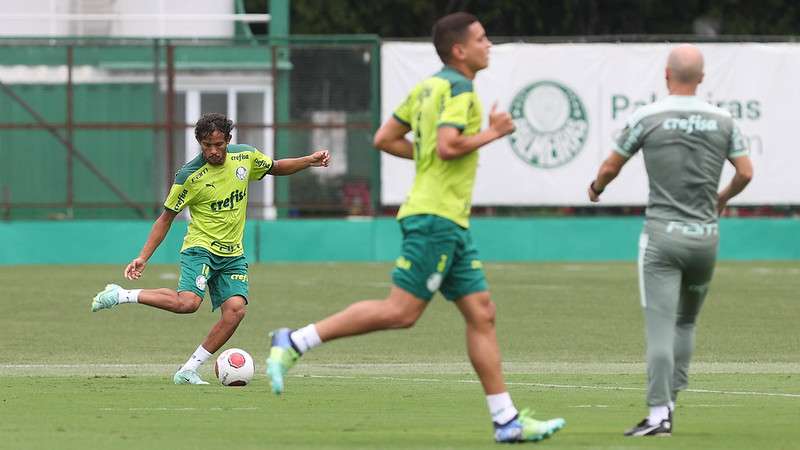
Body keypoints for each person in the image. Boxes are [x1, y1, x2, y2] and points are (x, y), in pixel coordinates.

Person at [264, 12, 565, 444]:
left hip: (447, 221)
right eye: (482, 39)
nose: (489, 45)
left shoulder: (428, 86)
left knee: (482, 312)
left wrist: (429, 154)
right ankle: (294, 341)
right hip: (435, 218)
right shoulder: (460, 89)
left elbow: (385, 138)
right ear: (460, 50)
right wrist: (494, 132)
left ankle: (507, 421)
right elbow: (447, 146)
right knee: (401, 312)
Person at [91, 112, 330, 385]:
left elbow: (276, 167)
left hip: (233, 254)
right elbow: (165, 218)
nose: (213, 151)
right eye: (207, 145)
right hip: (200, 248)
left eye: (218, 144)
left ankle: (188, 370)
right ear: (200, 143)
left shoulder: (245, 157)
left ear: (228, 140)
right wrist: (143, 257)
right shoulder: (189, 176)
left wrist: (309, 160)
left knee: (236, 311)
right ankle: (121, 294)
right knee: (188, 303)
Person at [588, 44, 753, 437]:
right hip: (705, 238)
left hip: (662, 238)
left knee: (659, 329)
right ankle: (672, 401)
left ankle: (658, 414)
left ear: (666, 75)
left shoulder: (648, 116)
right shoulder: (724, 119)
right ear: (702, 77)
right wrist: (722, 197)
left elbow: (612, 164)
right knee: (686, 324)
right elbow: (746, 172)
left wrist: (597, 187)